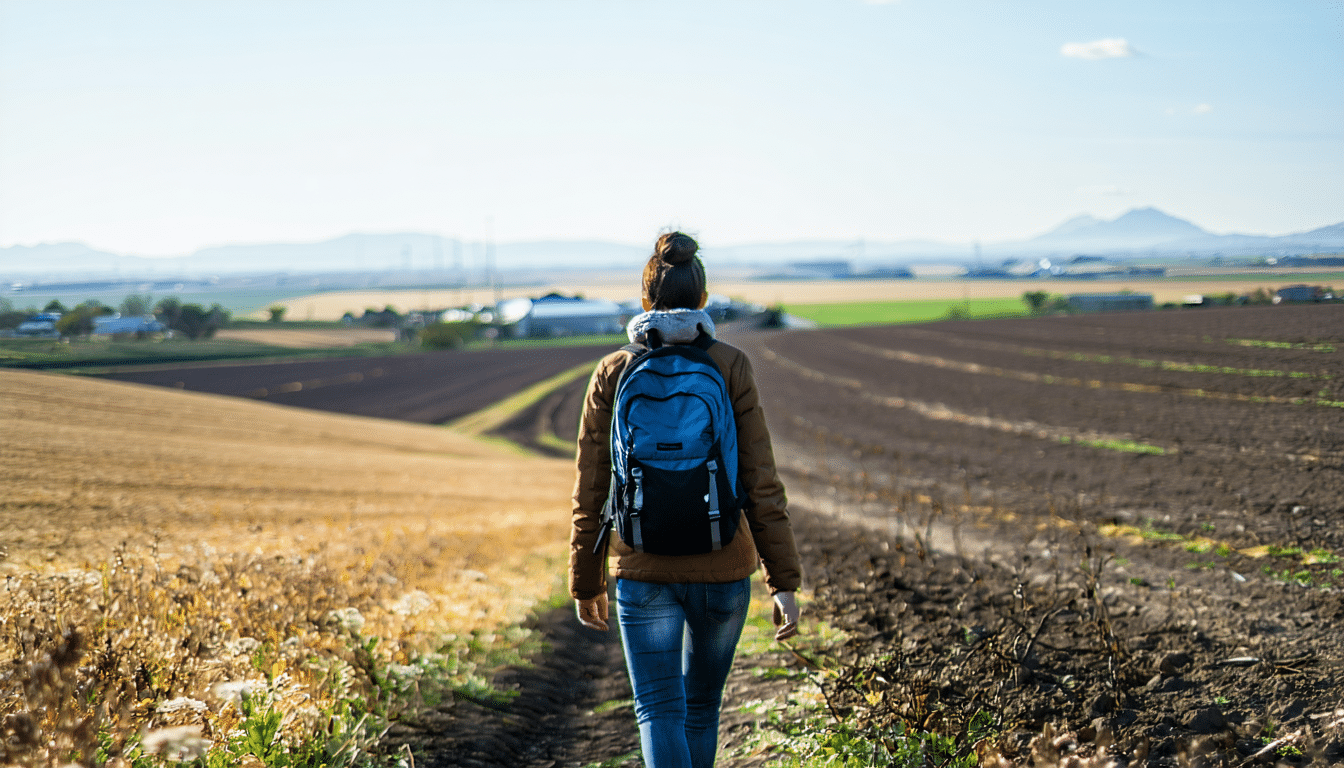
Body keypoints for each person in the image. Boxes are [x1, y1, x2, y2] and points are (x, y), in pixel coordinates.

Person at [570, 231, 803, 768]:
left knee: (658, 710)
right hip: (723, 564)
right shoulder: (730, 364)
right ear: (703, 298)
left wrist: (586, 579)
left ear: (644, 300)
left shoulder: (613, 370)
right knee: (701, 708)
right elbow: (760, 481)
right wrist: (784, 581)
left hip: (642, 566)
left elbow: (591, 486)